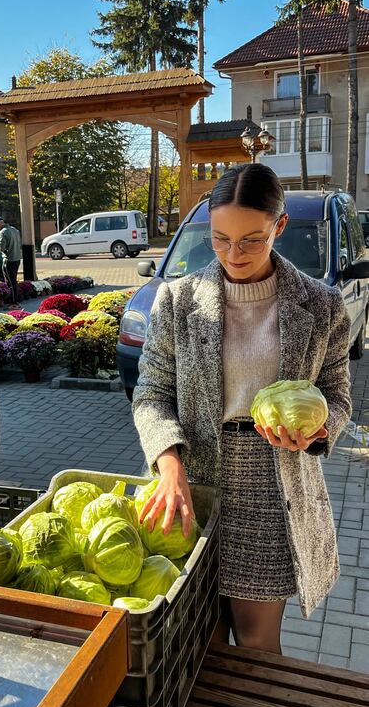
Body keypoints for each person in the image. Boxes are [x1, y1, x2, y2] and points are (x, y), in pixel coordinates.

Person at [132, 163, 351, 654]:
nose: (233, 255)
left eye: (251, 240)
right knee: (192, 642)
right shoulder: (177, 300)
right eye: (219, 239)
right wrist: (167, 463)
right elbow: (151, 391)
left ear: (279, 226)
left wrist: (317, 432)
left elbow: (337, 396)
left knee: (256, 646)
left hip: (274, 491)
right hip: (191, 485)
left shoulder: (321, 305)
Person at [0, 217, 22, 305]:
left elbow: (2, 248)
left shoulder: (3, 232)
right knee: (14, 280)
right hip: (17, 258)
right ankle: (16, 299)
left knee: (10, 282)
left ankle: (14, 302)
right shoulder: (15, 230)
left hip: (9, 260)